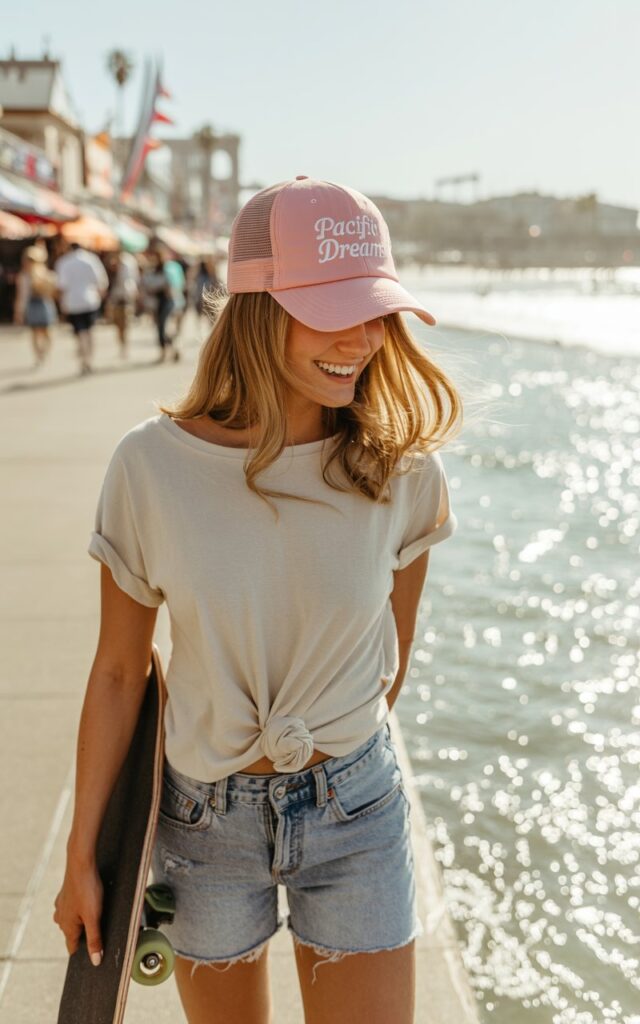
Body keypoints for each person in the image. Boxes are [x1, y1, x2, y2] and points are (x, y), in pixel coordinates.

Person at [53, 175, 463, 1024]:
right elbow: (122, 672)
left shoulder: (402, 473)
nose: (363, 338)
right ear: (257, 305)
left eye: (376, 309)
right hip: (206, 825)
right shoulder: (151, 468)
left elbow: (390, 666)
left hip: (357, 811)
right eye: (333, 307)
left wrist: (322, 751)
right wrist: (82, 852)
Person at [55, 242, 108, 376]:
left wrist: (62, 305)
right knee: (89, 331)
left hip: (72, 302)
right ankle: (89, 359)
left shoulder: (63, 262)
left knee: (80, 332)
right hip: (90, 300)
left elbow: (61, 286)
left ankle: (84, 360)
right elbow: (102, 281)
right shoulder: (91, 259)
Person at [13, 245, 57, 366]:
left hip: (35, 305)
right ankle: (42, 353)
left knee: (36, 333)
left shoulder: (25, 276)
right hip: (43, 304)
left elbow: (21, 297)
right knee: (45, 332)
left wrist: (19, 312)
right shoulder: (45, 273)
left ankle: (40, 354)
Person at [143, 247, 184, 362]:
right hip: (158, 302)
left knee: (163, 327)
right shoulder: (154, 270)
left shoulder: (168, 269)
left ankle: (170, 350)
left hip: (167, 301)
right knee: (162, 328)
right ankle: (171, 349)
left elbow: (171, 287)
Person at [105, 249, 140, 358]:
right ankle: (122, 345)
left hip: (125, 300)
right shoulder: (113, 270)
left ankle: (124, 346)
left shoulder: (127, 264)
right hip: (116, 300)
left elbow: (131, 283)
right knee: (118, 326)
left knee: (125, 324)